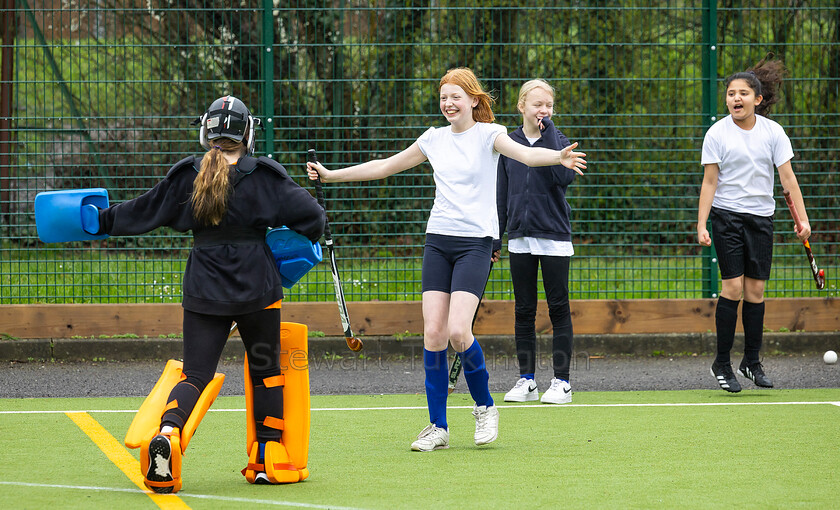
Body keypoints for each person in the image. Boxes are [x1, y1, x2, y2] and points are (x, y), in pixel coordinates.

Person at [307, 68, 586, 451]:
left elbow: (526, 155)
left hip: (476, 243)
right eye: (443, 98)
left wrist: (558, 156)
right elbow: (385, 166)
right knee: (434, 334)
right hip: (438, 242)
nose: (448, 103)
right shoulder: (433, 139)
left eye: (456, 96)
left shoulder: (491, 135)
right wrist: (330, 175)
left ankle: (485, 407)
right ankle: (437, 426)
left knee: (458, 331)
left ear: (473, 100)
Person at [88, 96, 325, 490]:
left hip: (204, 287)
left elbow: (143, 211)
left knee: (195, 373)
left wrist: (99, 220)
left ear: (206, 134)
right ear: (248, 134)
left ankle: (168, 433)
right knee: (267, 373)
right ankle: (268, 457)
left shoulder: (187, 176)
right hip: (258, 290)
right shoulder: (266, 175)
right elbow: (314, 219)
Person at [698, 54, 811, 392]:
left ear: (758, 99)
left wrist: (802, 221)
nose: (736, 98)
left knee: (756, 291)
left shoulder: (773, 133)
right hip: (726, 216)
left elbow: (788, 180)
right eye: (731, 93)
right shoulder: (717, 133)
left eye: (743, 93)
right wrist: (702, 224)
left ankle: (751, 361)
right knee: (732, 288)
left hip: (761, 218)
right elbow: (709, 182)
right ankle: (722, 362)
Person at [496, 79, 582, 405]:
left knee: (558, 309)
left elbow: (564, 178)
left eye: (548, 105)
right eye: (537, 104)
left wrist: (551, 136)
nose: (543, 110)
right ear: (522, 106)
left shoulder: (558, 142)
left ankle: (562, 382)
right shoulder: (508, 144)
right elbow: (501, 193)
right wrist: (496, 237)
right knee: (524, 309)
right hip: (519, 237)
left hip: (554, 238)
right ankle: (526, 380)